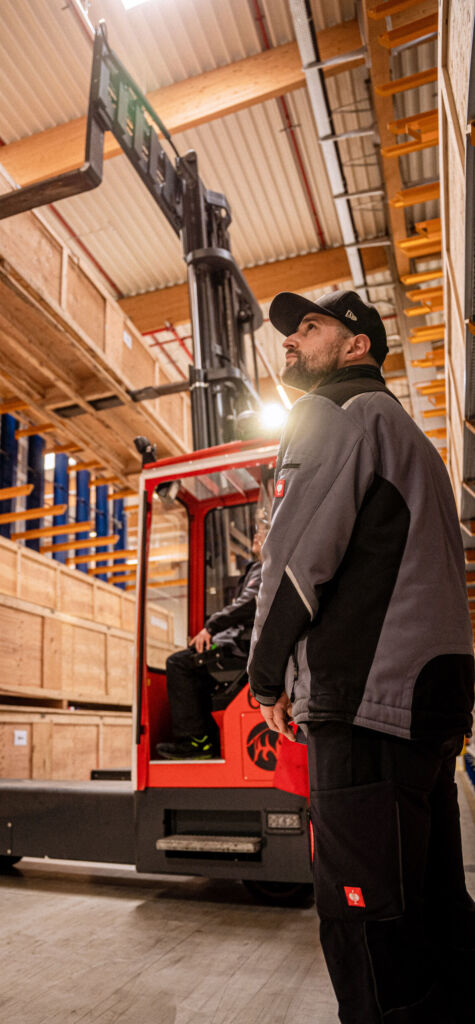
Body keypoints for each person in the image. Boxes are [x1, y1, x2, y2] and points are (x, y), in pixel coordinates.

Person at [247, 289, 475, 1024]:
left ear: (356, 346)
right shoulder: (410, 438)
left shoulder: (332, 414)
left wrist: (263, 678)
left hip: (366, 701)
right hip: (429, 700)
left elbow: (291, 561)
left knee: (366, 921)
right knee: (434, 904)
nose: (290, 340)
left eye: (309, 327)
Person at [156, 521, 265, 760]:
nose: (256, 536)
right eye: (256, 532)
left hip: (241, 646)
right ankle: (207, 739)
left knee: (178, 663)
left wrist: (211, 628)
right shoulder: (259, 568)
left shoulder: (263, 567)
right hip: (243, 643)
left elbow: (248, 603)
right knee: (196, 666)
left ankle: (194, 741)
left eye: (262, 532)